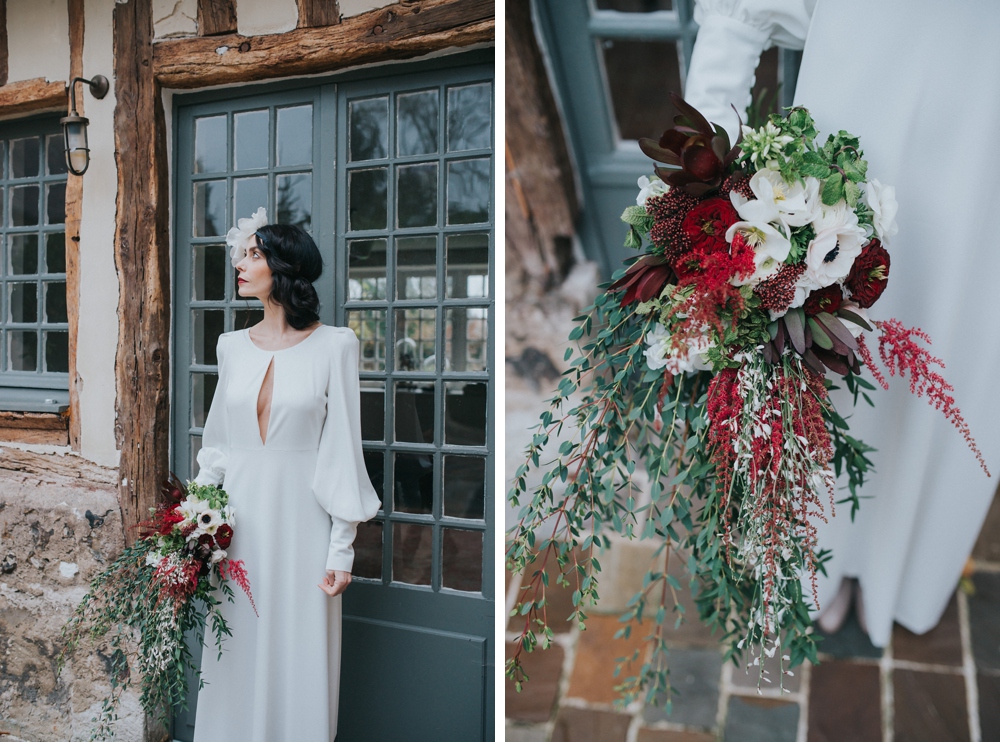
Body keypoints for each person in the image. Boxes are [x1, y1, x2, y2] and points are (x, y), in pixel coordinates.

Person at [682, 0, 1000, 646]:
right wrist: (702, 197)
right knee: (829, 384)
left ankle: (899, 574)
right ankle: (816, 569)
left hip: (985, 173)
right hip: (850, 158)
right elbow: (737, 17)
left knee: (953, 377)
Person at [191, 207, 381, 740]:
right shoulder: (230, 347)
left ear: (283, 266)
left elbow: (343, 450)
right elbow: (218, 449)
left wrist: (341, 548)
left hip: (303, 530)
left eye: (253, 255)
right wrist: (196, 529)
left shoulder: (336, 345)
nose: (240, 264)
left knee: (299, 656)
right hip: (236, 534)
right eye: (242, 254)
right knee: (234, 653)